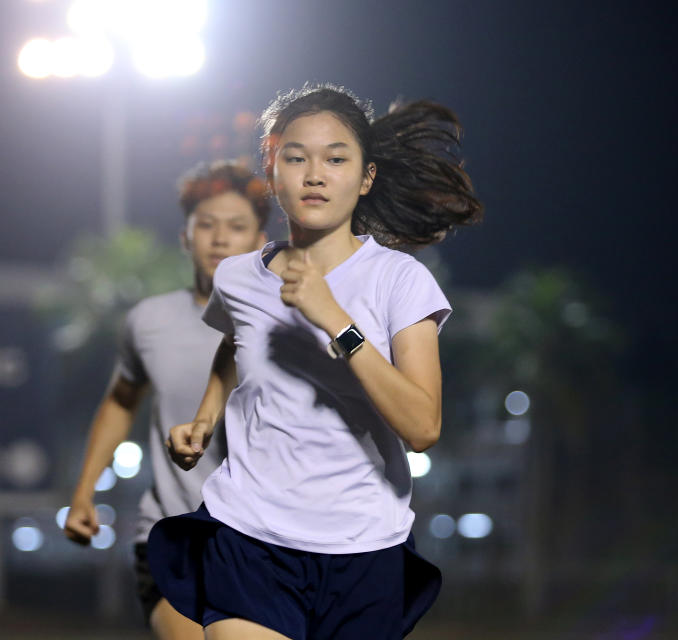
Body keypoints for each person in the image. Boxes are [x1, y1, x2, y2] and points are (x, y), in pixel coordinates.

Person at [147, 84, 482, 640]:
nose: (315, 174)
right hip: (248, 536)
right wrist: (205, 420)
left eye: (336, 159)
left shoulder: (400, 282)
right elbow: (236, 345)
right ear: (271, 168)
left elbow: (423, 427)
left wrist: (336, 322)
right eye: (296, 157)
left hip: (362, 548)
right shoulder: (237, 277)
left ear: (366, 177)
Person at [64, 160, 270, 639]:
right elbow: (120, 400)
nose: (219, 239)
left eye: (236, 227)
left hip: (264, 535)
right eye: (206, 226)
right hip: (172, 528)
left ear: (262, 242)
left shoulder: (285, 323)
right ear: (185, 236)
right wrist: (83, 492)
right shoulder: (149, 319)